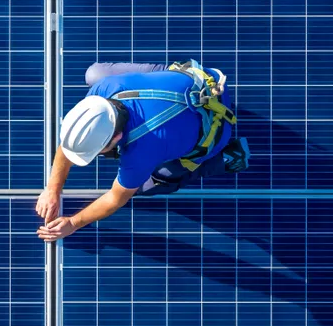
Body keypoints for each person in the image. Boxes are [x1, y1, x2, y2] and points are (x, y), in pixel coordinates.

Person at [37, 60, 251, 242]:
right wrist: (52, 189)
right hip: (203, 78)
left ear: (118, 138)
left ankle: (225, 159)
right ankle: (167, 78)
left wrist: (74, 222)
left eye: (99, 151)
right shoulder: (102, 91)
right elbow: (72, 141)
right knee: (94, 73)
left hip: (217, 127)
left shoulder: (140, 154)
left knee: (148, 184)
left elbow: (115, 198)